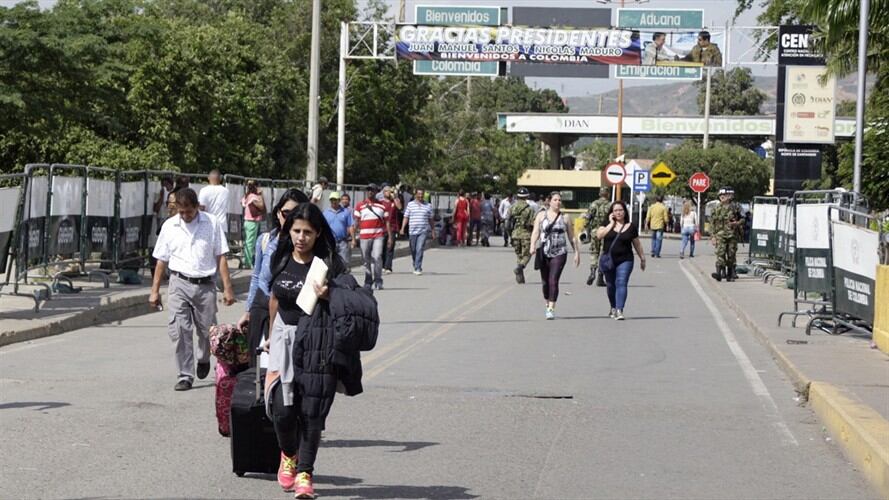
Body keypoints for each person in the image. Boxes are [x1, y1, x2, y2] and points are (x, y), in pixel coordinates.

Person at [265, 203, 377, 498]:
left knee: (312, 412)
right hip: (283, 340)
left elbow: (352, 297)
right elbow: (274, 298)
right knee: (283, 411)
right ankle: (288, 454)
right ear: (289, 232)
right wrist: (268, 335)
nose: (301, 237)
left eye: (308, 232)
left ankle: (305, 473)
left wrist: (331, 294)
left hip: (318, 341)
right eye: (296, 231)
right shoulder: (279, 258)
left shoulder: (329, 262)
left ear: (317, 234)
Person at [149, 188, 236, 391]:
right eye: (181, 212)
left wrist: (227, 288)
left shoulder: (211, 223)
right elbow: (161, 260)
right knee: (179, 330)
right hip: (179, 283)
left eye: (189, 211)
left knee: (207, 331)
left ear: (197, 207)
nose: (185, 216)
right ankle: (185, 375)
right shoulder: (169, 227)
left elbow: (221, 256)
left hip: (205, 284)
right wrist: (154, 291)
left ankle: (203, 357)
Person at [237, 189, 309, 356]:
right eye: (286, 213)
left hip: (290, 312)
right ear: (278, 213)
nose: (291, 219)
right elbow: (256, 277)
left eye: (297, 214)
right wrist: (248, 311)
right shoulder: (265, 240)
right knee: (258, 367)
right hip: (261, 307)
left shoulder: (306, 246)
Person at [530, 192, 580, 320]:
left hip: (560, 252)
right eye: (555, 199)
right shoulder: (541, 215)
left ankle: (551, 308)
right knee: (545, 282)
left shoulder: (565, 217)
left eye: (559, 200)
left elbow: (571, 236)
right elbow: (536, 231)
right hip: (544, 251)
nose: (558, 202)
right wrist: (532, 245)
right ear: (549, 201)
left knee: (554, 280)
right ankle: (547, 302)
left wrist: (576, 253)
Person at [596, 200, 647, 320]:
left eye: (620, 210)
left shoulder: (631, 226)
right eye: (615, 210)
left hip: (626, 259)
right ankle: (613, 307)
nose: (618, 213)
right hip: (609, 260)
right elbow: (599, 235)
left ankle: (619, 309)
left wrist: (642, 258)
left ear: (625, 212)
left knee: (621, 282)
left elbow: (637, 244)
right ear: (611, 213)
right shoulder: (606, 224)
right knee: (610, 285)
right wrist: (611, 224)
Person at [353, 184, 390, 290]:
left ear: (376, 192)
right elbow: (356, 222)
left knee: (377, 256)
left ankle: (378, 280)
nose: (370, 192)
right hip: (364, 236)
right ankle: (368, 280)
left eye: (372, 190)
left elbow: (387, 222)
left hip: (378, 235)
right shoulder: (360, 205)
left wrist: (390, 237)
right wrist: (353, 237)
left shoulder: (382, 206)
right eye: (368, 190)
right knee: (366, 259)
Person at [710, 187, 742, 282]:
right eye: (720, 195)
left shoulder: (736, 207)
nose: (722, 197)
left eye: (724, 195)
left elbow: (743, 218)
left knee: (731, 255)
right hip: (720, 235)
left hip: (732, 235)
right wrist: (712, 236)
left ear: (729, 196)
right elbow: (712, 223)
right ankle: (719, 274)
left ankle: (730, 274)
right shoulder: (716, 208)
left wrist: (737, 223)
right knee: (720, 254)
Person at [401, 188, 435, 275]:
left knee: (419, 249)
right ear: (415, 194)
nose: (420, 196)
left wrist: (433, 230)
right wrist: (402, 228)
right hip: (412, 231)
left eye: (422, 194)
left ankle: (418, 268)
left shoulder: (428, 206)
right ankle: (415, 262)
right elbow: (406, 217)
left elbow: (431, 219)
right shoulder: (410, 205)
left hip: (423, 231)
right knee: (413, 250)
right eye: (419, 194)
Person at [583, 188, 611, 287]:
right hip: (606, 232)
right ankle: (600, 276)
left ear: (600, 194)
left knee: (594, 252)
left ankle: (592, 272)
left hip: (595, 232)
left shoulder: (594, 204)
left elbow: (587, 218)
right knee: (604, 254)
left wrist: (587, 230)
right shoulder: (610, 205)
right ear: (608, 194)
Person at [508, 187, 536, 284]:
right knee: (527, 255)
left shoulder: (512, 207)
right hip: (526, 234)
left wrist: (510, 234)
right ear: (527, 196)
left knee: (519, 255)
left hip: (515, 234)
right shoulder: (529, 209)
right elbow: (532, 224)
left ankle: (520, 278)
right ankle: (520, 267)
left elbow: (507, 223)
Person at [323, 191, 354, 272]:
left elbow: (350, 225)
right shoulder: (325, 213)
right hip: (330, 241)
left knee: (344, 263)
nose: (333, 201)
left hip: (342, 241)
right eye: (332, 200)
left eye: (335, 199)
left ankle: (344, 280)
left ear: (339, 200)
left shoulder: (346, 212)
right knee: (329, 263)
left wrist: (353, 239)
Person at [241, 180, 266, 268]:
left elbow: (242, 203)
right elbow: (262, 206)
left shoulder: (246, 196)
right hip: (253, 222)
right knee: (250, 243)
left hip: (247, 221)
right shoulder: (254, 197)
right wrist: (261, 195)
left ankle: (247, 261)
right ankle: (248, 263)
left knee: (248, 242)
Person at [379, 185, 402, 274]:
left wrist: (395, 197)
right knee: (382, 247)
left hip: (392, 228)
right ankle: (383, 265)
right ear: (383, 193)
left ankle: (388, 267)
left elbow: (400, 207)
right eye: (387, 191)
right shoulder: (380, 203)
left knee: (390, 247)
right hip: (382, 228)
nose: (389, 193)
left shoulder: (394, 202)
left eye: (390, 191)